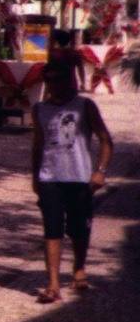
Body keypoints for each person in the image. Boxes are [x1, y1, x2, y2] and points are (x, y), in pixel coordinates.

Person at [31, 60, 114, 303]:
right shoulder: (39, 109)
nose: (55, 84)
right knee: (51, 229)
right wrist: (35, 176)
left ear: (70, 80)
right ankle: (53, 284)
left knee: (78, 229)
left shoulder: (84, 106)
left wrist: (100, 171)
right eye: (50, 80)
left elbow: (105, 140)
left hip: (79, 177)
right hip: (50, 177)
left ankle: (79, 267)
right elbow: (38, 145)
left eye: (60, 79)